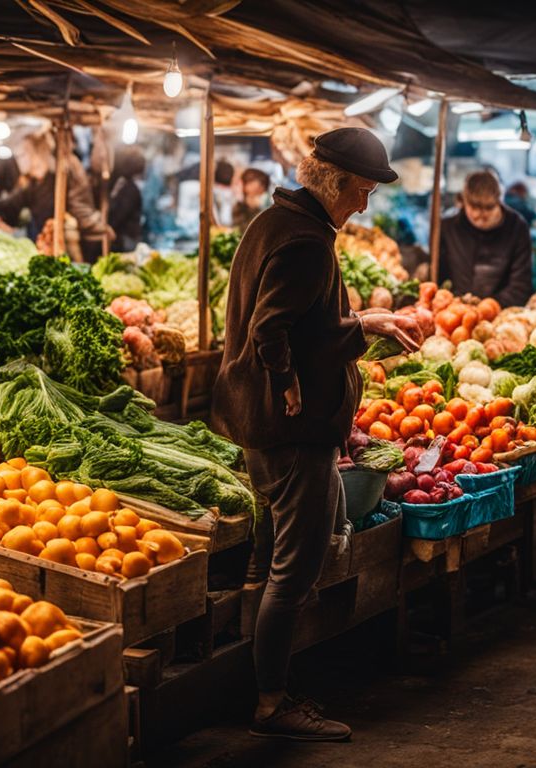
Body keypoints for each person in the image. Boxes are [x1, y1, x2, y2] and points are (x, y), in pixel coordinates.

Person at [212, 127, 420, 742]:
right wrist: (290, 383)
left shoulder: (272, 222)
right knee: (294, 572)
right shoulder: (307, 241)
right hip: (290, 430)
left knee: (271, 559)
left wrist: (361, 320)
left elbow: (302, 321)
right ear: (331, 182)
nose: (363, 206)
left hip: (267, 426)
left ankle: (255, 679)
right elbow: (272, 330)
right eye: (359, 191)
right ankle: (272, 703)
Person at [0, 131, 110, 261]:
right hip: (44, 250)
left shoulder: (59, 178)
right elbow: (6, 204)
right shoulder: (33, 185)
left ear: (35, 153)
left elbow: (80, 208)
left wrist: (98, 227)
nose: (18, 160)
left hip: (69, 251)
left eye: (22, 154)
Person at [435, 170, 533, 307]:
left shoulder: (517, 227)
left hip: (499, 313)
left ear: (500, 201)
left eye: (489, 208)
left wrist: (486, 308)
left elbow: (520, 286)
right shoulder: (447, 227)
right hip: (454, 311)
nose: (481, 215)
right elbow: (438, 278)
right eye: (474, 207)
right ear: (463, 202)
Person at [107, 146, 145, 253]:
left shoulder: (129, 189)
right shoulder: (126, 186)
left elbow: (119, 215)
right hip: (126, 237)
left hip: (126, 239)